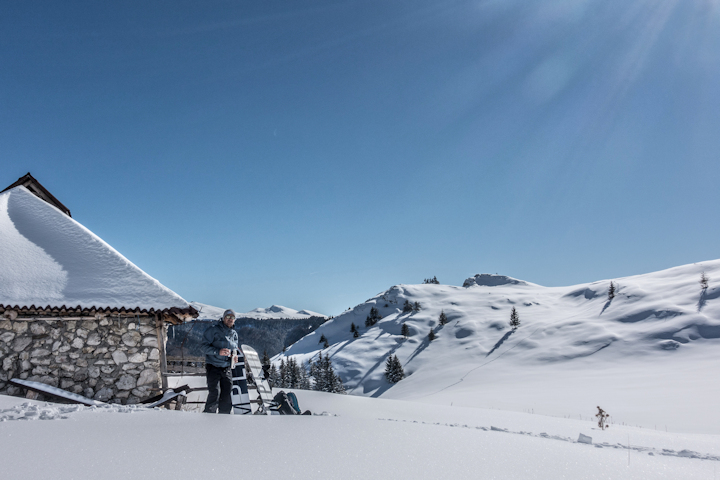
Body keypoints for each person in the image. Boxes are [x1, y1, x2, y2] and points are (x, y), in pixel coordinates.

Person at [200, 309, 239, 414]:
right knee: (215, 394)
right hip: (213, 366)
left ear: (234, 320)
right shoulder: (213, 330)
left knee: (226, 396)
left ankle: (224, 421)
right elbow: (203, 347)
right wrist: (217, 351)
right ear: (223, 318)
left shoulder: (234, 334)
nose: (230, 319)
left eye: (232, 317)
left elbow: (234, 350)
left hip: (227, 368)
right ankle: (208, 419)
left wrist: (234, 357)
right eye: (228, 317)